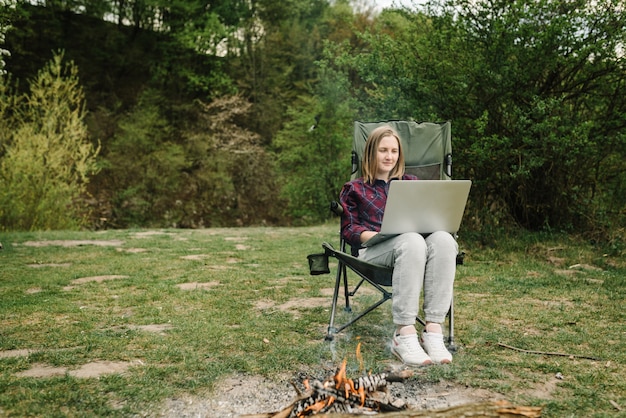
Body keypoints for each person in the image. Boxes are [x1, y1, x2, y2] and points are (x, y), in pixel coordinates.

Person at [339, 125, 458, 366]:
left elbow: (428, 218)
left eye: (394, 151)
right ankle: (404, 334)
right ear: (371, 153)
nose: (389, 156)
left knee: (444, 239)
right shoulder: (355, 189)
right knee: (410, 240)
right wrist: (376, 236)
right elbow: (349, 230)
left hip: (415, 248)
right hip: (373, 251)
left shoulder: (412, 183)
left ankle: (433, 332)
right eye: (383, 150)